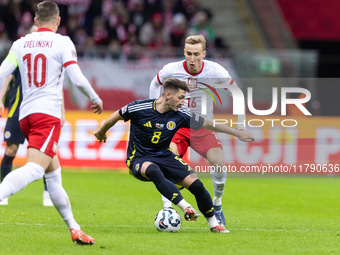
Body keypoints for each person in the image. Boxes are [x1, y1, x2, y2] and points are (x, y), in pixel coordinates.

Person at [0, 1, 103, 245]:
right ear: (58, 21)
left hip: (25, 116)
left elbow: (3, 71)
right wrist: (95, 98)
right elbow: (76, 79)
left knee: (53, 175)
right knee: (36, 169)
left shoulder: (20, 43)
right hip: (47, 116)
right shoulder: (63, 42)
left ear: (35, 21)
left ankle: (75, 228)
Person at [93, 78, 254, 233]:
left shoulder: (181, 114)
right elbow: (117, 115)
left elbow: (208, 124)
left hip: (165, 156)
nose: (183, 102)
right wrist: (101, 131)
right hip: (139, 158)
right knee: (153, 169)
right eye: (181, 98)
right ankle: (186, 207)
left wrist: (237, 133)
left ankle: (214, 223)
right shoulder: (139, 108)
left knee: (196, 184)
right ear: (168, 95)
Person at [149, 34, 246, 227]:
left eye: (196, 54)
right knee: (168, 161)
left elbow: (237, 92)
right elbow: (154, 84)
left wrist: (241, 123)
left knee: (218, 163)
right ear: (184, 52)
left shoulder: (215, 70)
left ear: (204, 53)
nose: (191, 59)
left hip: (202, 126)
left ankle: (217, 205)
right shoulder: (172, 69)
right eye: (188, 54)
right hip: (176, 126)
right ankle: (167, 207)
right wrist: (155, 113)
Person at [0, 25, 53, 207]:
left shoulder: (49, 57)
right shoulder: (20, 51)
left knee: (45, 153)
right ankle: (3, 191)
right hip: (17, 109)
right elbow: (6, 77)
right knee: (10, 151)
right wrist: (0, 99)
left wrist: (60, 111)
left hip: (40, 110)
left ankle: (48, 193)